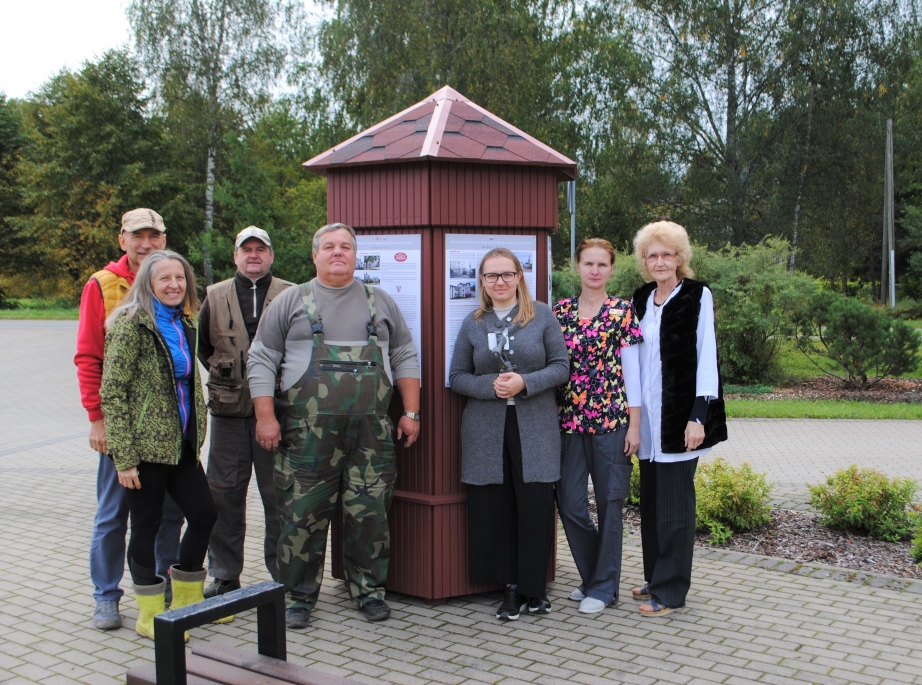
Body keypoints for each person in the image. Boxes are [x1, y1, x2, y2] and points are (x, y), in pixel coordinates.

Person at [247, 223, 421, 628]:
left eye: (345, 246)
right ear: (315, 255)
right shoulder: (290, 302)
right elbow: (260, 361)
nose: (337, 252)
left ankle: (369, 591)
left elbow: (406, 356)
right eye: (329, 246)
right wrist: (266, 416)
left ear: (356, 255)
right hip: (305, 436)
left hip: (371, 436)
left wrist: (411, 413)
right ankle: (297, 597)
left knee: (370, 515)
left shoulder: (381, 303)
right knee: (301, 516)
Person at [74, 208, 184, 631]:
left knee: (169, 512)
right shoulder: (103, 285)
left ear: (163, 238)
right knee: (114, 513)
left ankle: (160, 586)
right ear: (122, 240)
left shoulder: (173, 283)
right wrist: (97, 420)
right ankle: (106, 595)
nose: (146, 244)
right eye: (137, 236)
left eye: (154, 236)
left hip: (171, 429)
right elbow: (88, 357)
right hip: (123, 427)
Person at [101, 250, 219, 639]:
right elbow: (113, 393)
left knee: (203, 515)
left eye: (180, 278)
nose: (174, 285)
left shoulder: (186, 322)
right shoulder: (130, 326)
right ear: (148, 284)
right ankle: (149, 615)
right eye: (164, 278)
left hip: (181, 447)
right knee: (146, 529)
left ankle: (185, 604)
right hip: (143, 452)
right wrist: (124, 459)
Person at [449, 248, 569, 621]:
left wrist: (524, 382)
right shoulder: (473, 322)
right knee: (497, 509)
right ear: (482, 282)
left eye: (506, 274)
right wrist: (493, 387)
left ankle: (535, 589)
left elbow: (561, 367)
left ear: (519, 276)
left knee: (534, 506)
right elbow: (457, 378)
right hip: (487, 430)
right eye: (491, 276)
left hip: (535, 427)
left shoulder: (542, 315)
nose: (499, 282)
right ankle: (510, 589)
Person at [630, 221, 727, 617]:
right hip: (648, 422)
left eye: (666, 254)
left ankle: (671, 591)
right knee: (652, 502)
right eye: (652, 255)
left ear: (679, 258)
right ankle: (655, 576)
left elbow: (707, 358)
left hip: (681, 420)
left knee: (675, 506)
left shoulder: (697, 296)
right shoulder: (640, 299)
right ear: (644, 261)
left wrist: (698, 417)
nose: (659, 261)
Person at [198, 227, 293, 598]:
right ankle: (224, 573)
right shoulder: (214, 295)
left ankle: (283, 573)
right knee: (223, 495)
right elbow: (205, 347)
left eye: (261, 249)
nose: (254, 255)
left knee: (280, 497)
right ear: (235, 256)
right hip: (228, 416)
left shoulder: (292, 295)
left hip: (281, 414)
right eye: (246, 250)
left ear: (271, 255)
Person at [554, 238, 643, 615]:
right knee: (570, 503)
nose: (594, 270)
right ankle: (594, 577)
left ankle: (604, 588)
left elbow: (633, 374)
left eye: (601, 265)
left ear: (611, 269)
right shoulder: (559, 313)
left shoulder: (623, 312)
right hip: (569, 423)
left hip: (611, 423)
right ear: (577, 267)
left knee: (610, 506)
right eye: (588, 263)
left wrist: (634, 427)